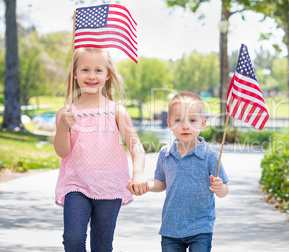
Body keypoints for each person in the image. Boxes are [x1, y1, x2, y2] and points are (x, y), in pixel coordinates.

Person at [54, 47, 148, 252]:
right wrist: (63, 126)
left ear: (107, 75)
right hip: (75, 184)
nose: (91, 75)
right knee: (73, 239)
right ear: (75, 74)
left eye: (98, 70)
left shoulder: (117, 111)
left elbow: (136, 146)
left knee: (102, 245)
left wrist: (138, 173)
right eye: (85, 69)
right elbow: (62, 152)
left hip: (110, 185)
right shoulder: (66, 112)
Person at [128, 92, 229, 252]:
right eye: (178, 120)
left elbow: (224, 190)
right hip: (171, 227)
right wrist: (146, 184)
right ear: (169, 123)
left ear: (203, 123)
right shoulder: (165, 153)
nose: (185, 125)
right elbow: (161, 183)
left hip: (200, 227)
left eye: (192, 120)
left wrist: (219, 187)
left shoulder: (210, 156)